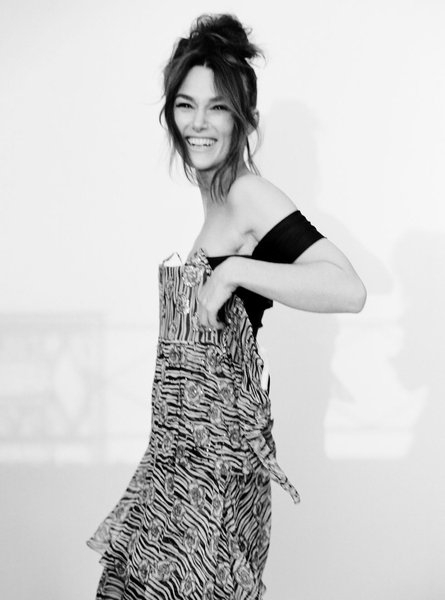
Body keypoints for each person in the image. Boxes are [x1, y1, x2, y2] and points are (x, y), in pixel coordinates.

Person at [86, 13, 367, 600]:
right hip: (177, 462)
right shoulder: (215, 203)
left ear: (244, 119)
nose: (198, 122)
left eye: (217, 107)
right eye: (186, 105)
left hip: (214, 476)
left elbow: (347, 287)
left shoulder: (247, 194)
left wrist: (235, 270)